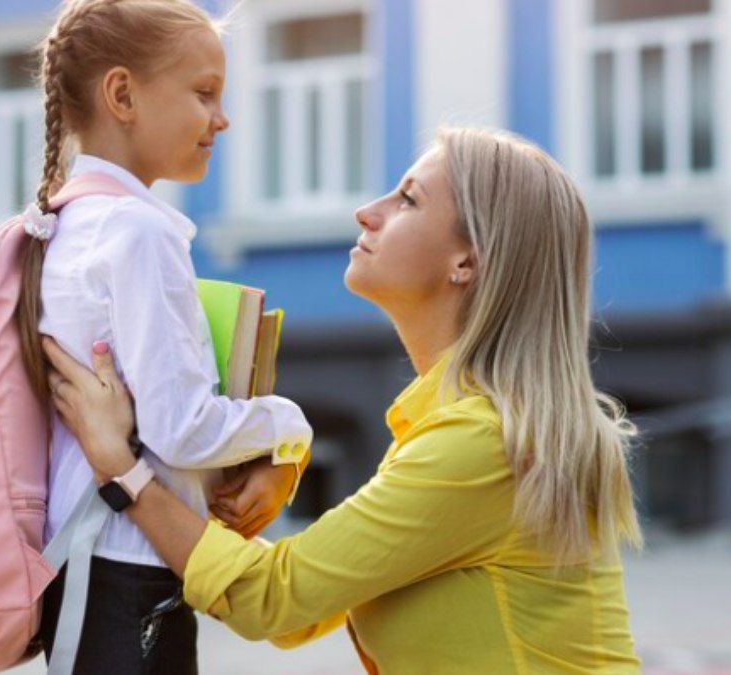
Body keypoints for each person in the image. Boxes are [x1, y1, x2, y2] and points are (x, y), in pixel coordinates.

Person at [44, 127, 645, 673]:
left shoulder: (483, 444)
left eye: (408, 200)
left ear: (467, 261)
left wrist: (122, 467)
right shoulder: (467, 427)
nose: (368, 211)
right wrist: (274, 461)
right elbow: (303, 605)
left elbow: (272, 600)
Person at [14, 1, 313, 672]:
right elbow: (181, 428)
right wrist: (290, 426)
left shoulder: (61, 224)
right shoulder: (140, 233)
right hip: (133, 572)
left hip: (78, 566)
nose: (222, 118)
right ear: (122, 93)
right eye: (204, 93)